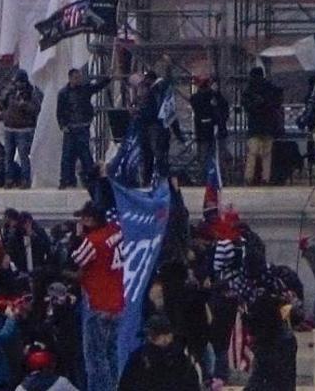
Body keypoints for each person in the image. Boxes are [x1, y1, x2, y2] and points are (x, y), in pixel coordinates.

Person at [74, 204, 127, 391]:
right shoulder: (117, 231)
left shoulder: (93, 240)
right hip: (118, 303)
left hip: (98, 303)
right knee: (112, 352)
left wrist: (77, 238)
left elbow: (77, 263)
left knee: (95, 356)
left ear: (90, 219)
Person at [58, 67, 113, 189]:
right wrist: (63, 126)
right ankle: (66, 180)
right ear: (70, 78)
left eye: (79, 77)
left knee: (85, 155)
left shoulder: (85, 89)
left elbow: (97, 87)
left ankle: (91, 180)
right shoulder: (63, 93)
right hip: (70, 128)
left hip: (82, 127)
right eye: (76, 77)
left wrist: (108, 79)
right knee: (68, 156)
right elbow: (60, 111)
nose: (78, 80)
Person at [117, 316, 199, 391]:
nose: (149, 340)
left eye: (154, 337)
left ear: (169, 336)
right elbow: (125, 384)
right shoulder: (139, 356)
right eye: (148, 337)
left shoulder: (181, 360)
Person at [0, 67, 44, 188]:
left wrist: (25, 105)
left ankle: (25, 180)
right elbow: (1, 104)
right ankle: (9, 179)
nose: (18, 84)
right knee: (8, 156)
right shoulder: (11, 92)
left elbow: (36, 109)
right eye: (17, 82)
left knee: (23, 156)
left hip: (24, 129)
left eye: (20, 82)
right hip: (9, 128)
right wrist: (5, 94)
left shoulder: (30, 93)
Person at [242, 66, 285, 185]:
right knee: (267, 154)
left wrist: (256, 104)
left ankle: (249, 177)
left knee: (252, 152)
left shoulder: (249, 90)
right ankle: (266, 177)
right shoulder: (270, 89)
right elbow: (277, 102)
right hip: (268, 125)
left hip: (254, 126)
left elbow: (246, 106)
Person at [188, 76, 228, 175]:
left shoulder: (215, 97)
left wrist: (215, 94)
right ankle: (204, 175)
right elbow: (198, 104)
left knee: (216, 155)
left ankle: (218, 175)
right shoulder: (197, 98)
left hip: (215, 130)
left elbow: (224, 109)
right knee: (204, 155)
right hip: (203, 131)